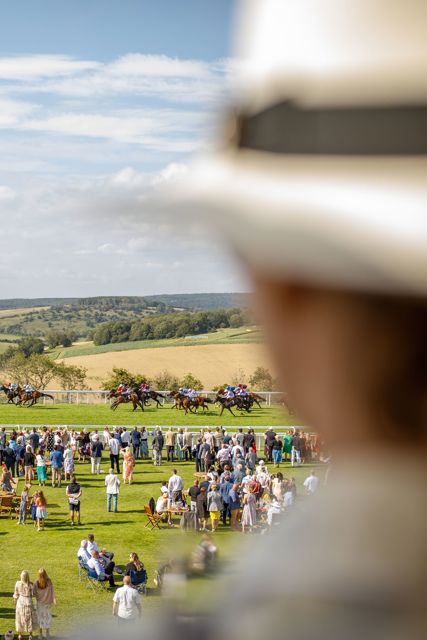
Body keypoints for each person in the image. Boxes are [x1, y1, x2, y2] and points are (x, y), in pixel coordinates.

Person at [33, 568, 56, 639]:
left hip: (40, 604)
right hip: (46, 604)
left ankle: (40, 634)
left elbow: (33, 594)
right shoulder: (49, 581)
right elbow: (52, 591)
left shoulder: (36, 583)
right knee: (47, 618)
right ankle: (47, 634)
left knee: (40, 618)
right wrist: (54, 600)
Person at [13, 570, 36, 640]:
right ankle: (30, 635)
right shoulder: (31, 585)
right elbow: (33, 594)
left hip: (20, 602)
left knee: (19, 618)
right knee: (30, 619)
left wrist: (14, 600)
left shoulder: (17, 583)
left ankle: (20, 635)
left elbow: (16, 593)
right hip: (29, 602)